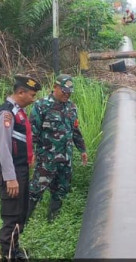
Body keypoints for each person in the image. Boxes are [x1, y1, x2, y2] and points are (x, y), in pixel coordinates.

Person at [0, 75, 41, 260]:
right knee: (12, 214)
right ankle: (8, 254)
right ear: (21, 92)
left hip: (21, 169)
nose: (33, 99)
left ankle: (15, 250)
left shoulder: (18, 111)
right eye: (32, 95)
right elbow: (3, 148)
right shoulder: (6, 113)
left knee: (21, 212)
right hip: (12, 172)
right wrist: (10, 178)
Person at [28, 74, 88, 222]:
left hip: (65, 159)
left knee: (60, 191)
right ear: (55, 87)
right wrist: (31, 153)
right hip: (46, 159)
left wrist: (82, 150)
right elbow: (32, 132)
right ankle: (22, 222)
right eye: (64, 91)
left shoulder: (71, 107)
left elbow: (75, 131)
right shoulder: (41, 106)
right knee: (35, 190)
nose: (67, 95)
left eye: (69, 93)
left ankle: (52, 221)